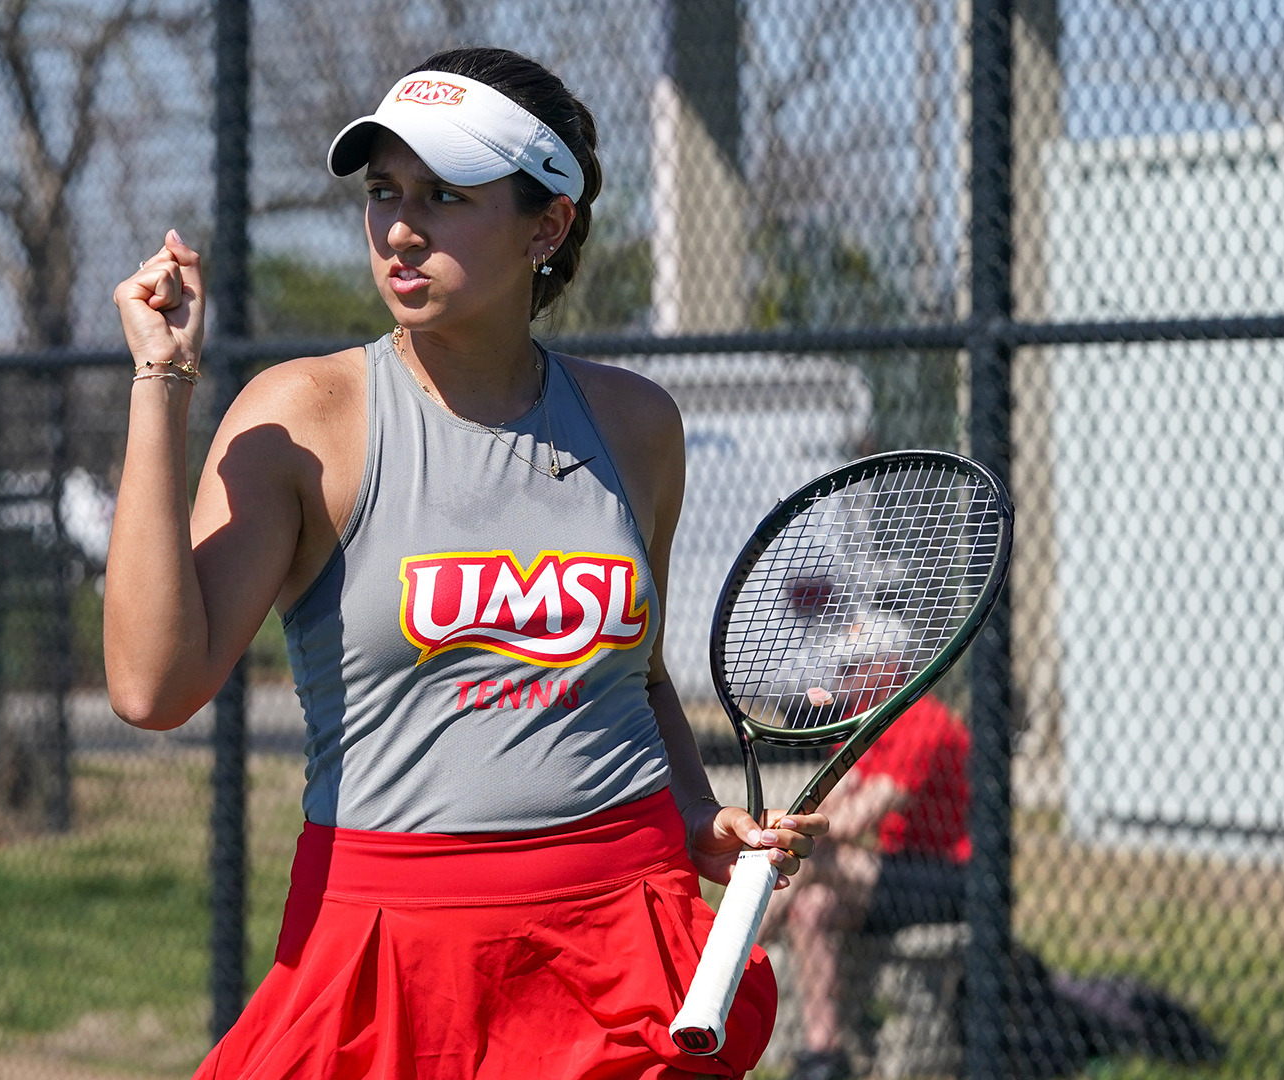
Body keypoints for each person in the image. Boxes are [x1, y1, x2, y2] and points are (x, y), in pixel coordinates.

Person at [103, 46, 828, 1080]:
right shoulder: (304, 418)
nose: (401, 226)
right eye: (385, 190)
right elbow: (149, 687)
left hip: (620, 947)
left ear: (547, 225)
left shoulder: (635, 424)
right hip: (385, 959)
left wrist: (692, 812)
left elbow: (639, 676)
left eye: (446, 194)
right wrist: (158, 380)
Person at [758, 690, 971, 1080]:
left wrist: (803, 829)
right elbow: (827, 804)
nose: (841, 678)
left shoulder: (925, 721)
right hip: (893, 873)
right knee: (811, 905)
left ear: (888, 666)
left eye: (853, 667)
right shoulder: (863, 720)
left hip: (951, 877)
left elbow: (856, 818)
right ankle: (823, 1052)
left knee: (815, 857)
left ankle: (739, 946)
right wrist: (807, 825)